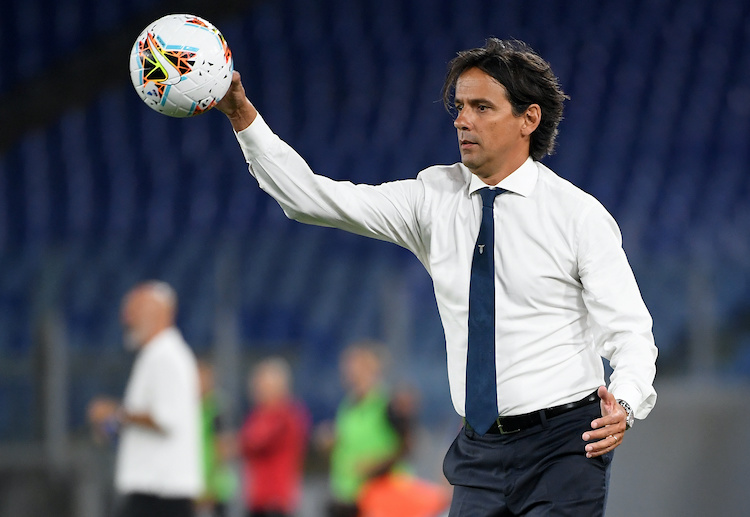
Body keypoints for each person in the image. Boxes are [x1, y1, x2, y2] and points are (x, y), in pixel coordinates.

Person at [216, 38, 658, 516]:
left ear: (528, 119)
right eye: (460, 106)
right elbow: (312, 199)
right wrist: (243, 116)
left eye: (482, 107)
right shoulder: (433, 198)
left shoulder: (578, 216)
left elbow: (630, 332)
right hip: (478, 449)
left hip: (564, 446)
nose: (462, 120)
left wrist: (625, 403)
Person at [88, 281, 203, 517]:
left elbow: (166, 418)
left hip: (161, 491)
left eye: (135, 310)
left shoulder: (166, 356)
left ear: (159, 313)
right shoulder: (155, 355)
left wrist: (115, 412)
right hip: (154, 489)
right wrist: (112, 424)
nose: (126, 318)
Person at [315, 342, 415, 517]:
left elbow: (407, 445)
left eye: (354, 365)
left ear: (371, 368)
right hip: (350, 495)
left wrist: (376, 465)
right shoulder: (347, 405)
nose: (348, 371)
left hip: (382, 497)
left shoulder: (388, 403)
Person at [239, 357, 310, 517]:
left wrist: (240, 442)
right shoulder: (256, 415)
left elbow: (256, 441)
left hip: (277, 499)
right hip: (256, 497)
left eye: (263, 385)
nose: (257, 389)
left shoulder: (288, 414)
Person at [196, 359, 237, 517]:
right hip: (194, 485)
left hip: (214, 487)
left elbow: (224, 448)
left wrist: (211, 486)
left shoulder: (218, 408)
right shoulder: (191, 407)